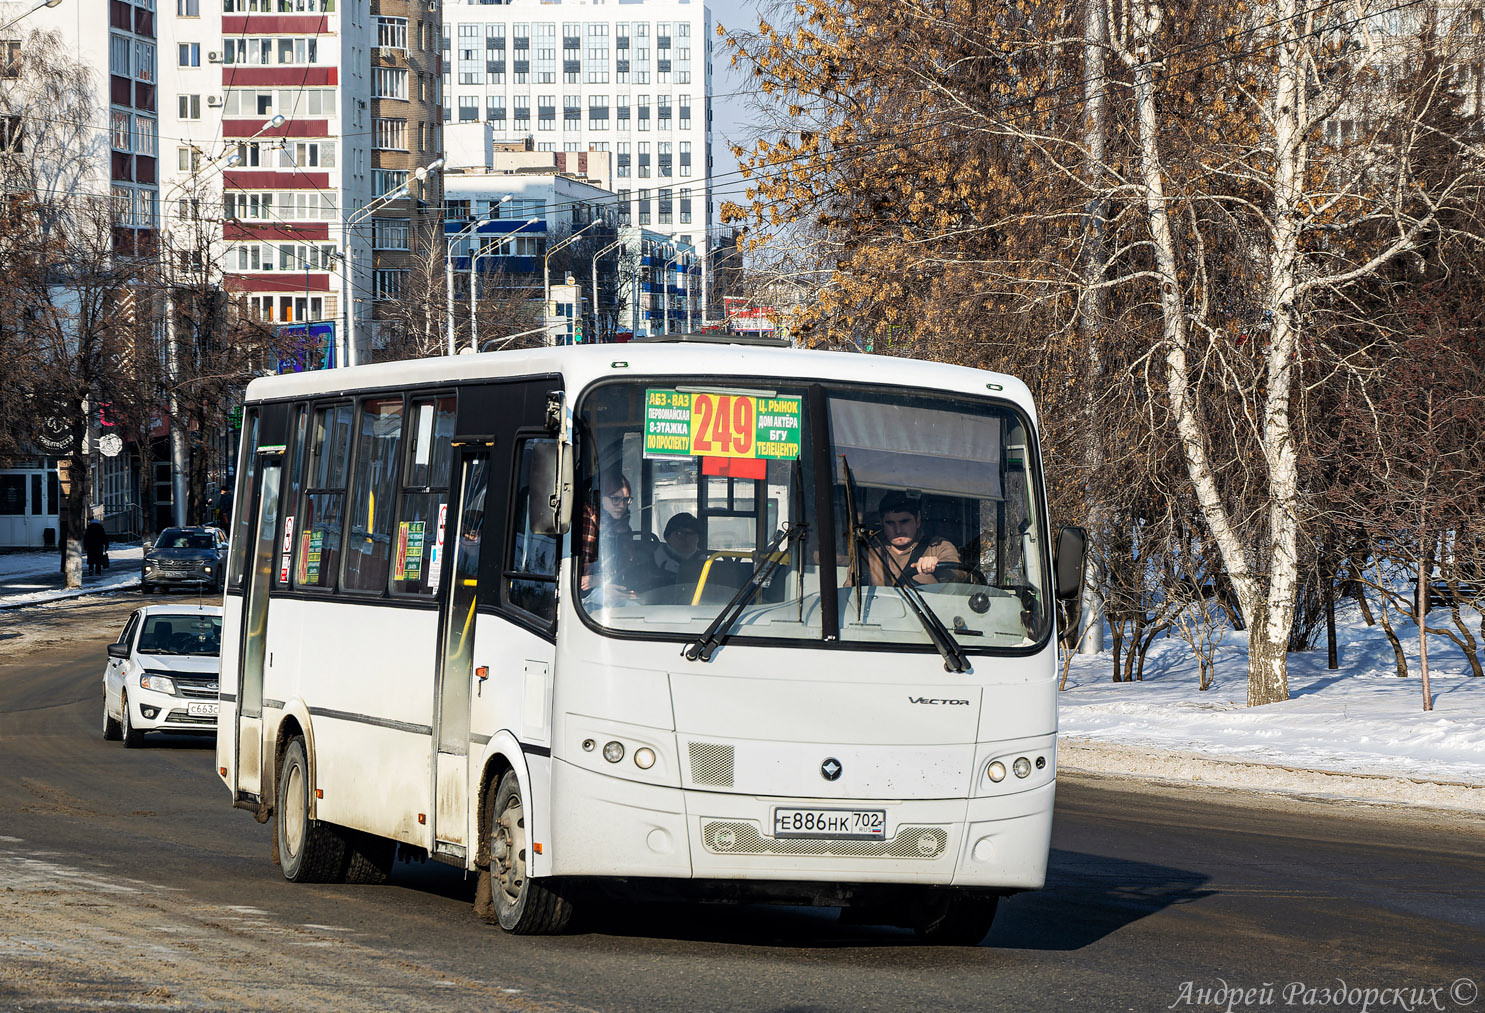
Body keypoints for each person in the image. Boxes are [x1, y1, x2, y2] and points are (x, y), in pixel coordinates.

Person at [862, 491, 961, 586]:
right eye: (890, 523)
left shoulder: (938, 547)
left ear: (917, 520)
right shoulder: (869, 552)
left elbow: (958, 578)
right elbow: (851, 590)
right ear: (882, 523)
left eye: (904, 521)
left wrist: (938, 566)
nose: (898, 530)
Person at [579, 472, 637, 597]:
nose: (622, 505)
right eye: (615, 499)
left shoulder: (623, 526)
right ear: (600, 497)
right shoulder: (587, 520)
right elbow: (580, 580)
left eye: (626, 500)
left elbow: (624, 567)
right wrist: (598, 582)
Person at [652, 512, 703, 584]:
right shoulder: (647, 567)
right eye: (679, 534)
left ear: (698, 538)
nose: (685, 539)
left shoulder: (709, 568)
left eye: (691, 534)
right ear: (667, 537)